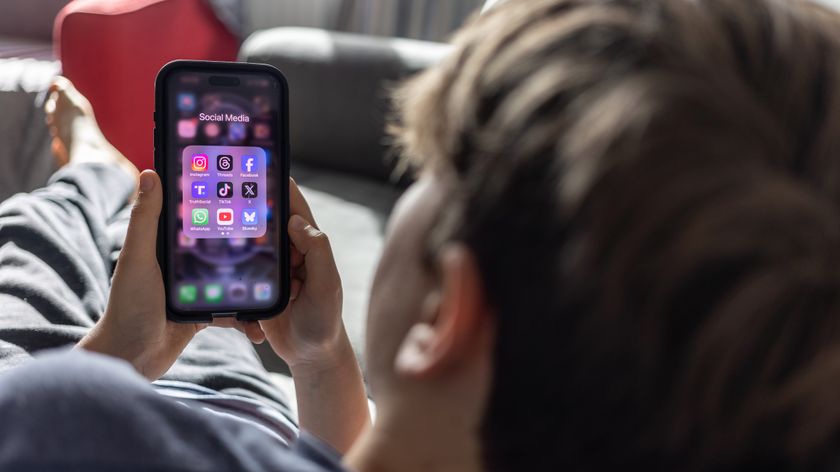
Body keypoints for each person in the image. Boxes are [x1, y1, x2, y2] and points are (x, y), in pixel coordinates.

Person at [3, 0, 840, 470]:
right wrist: (323, 356)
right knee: (182, 296)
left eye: (429, 179)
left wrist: (125, 352)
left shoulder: (75, 416)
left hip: (105, 384)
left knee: (49, 240)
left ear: (446, 310)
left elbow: (40, 412)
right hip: (262, 409)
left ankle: (91, 172)